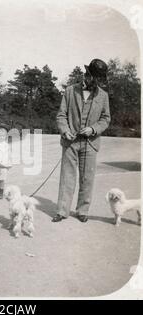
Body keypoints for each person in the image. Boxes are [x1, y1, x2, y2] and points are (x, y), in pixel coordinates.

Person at [52, 58, 111, 223]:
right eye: (95, 78)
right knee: (67, 177)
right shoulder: (70, 91)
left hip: (91, 143)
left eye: (100, 79)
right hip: (70, 142)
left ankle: (82, 210)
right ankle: (62, 211)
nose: (97, 82)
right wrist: (65, 131)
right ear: (87, 75)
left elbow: (106, 119)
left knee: (87, 178)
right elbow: (61, 115)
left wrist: (93, 129)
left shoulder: (103, 96)